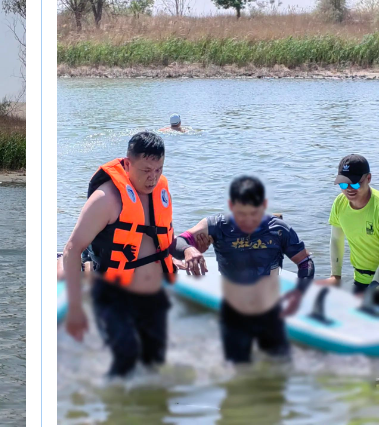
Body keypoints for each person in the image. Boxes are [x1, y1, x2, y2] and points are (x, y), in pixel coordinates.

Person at [63, 131, 206, 377]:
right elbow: (71, 250)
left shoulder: (159, 191)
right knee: (124, 372)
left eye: (158, 170)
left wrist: (183, 252)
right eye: (145, 170)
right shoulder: (106, 199)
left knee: (155, 369)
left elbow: (162, 241)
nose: (152, 178)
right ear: (128, 164)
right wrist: (75, 309)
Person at [173, 176, 314, 364]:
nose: (248, 220)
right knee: (237, 368)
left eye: (254, 214)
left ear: (264, 205)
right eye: (241, 214)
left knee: (277, 368)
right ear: (231, 206)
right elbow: (177, 242)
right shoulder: (217, 226)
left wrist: (299, 293)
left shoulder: (279, 230)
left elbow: (305, 262)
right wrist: (189, 250)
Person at [316, 155, 379, 296]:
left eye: (355, 183)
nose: (349, 189)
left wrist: (375, 286)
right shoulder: (340, 203)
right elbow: (336, 240)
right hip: (361, 279)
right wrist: (335, 276)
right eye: (343, 184)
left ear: (368, 178)